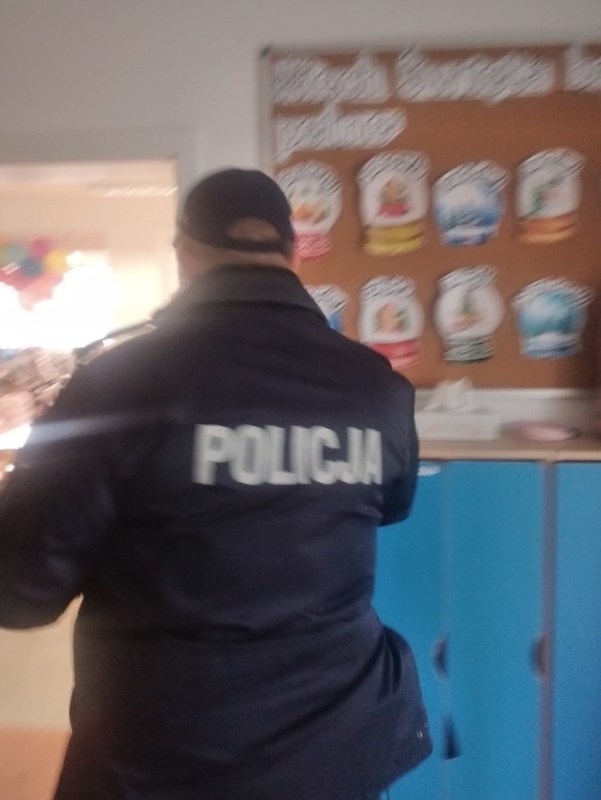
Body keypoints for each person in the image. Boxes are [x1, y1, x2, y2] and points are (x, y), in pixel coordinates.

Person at [0, 168, 431, 799]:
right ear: (292, 255)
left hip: (163, 757)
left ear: (185, 255)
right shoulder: (376, 385)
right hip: (337, 745)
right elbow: (390, 506)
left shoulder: (118, 381)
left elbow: (18, 592)